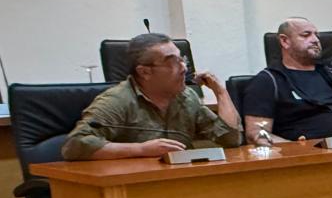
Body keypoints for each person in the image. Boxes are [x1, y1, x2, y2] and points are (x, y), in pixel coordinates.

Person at [63, 33, 242, 160]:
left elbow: (230, 139)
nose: (184, 68)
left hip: (181, 183)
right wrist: (140, 149)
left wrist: (220, 91)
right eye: (173, 61)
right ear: (145, 72)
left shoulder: (187, 98)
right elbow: (75, 145)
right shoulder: (117, 100)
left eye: (182, 60)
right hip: (133, 189)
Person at [242, 18, 332, 142]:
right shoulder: (268, 81)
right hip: (310, 159)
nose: (315, 40)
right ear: (285, 41)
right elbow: (257, 134)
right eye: (306, 35)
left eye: (316, 35)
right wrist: (298, 151)